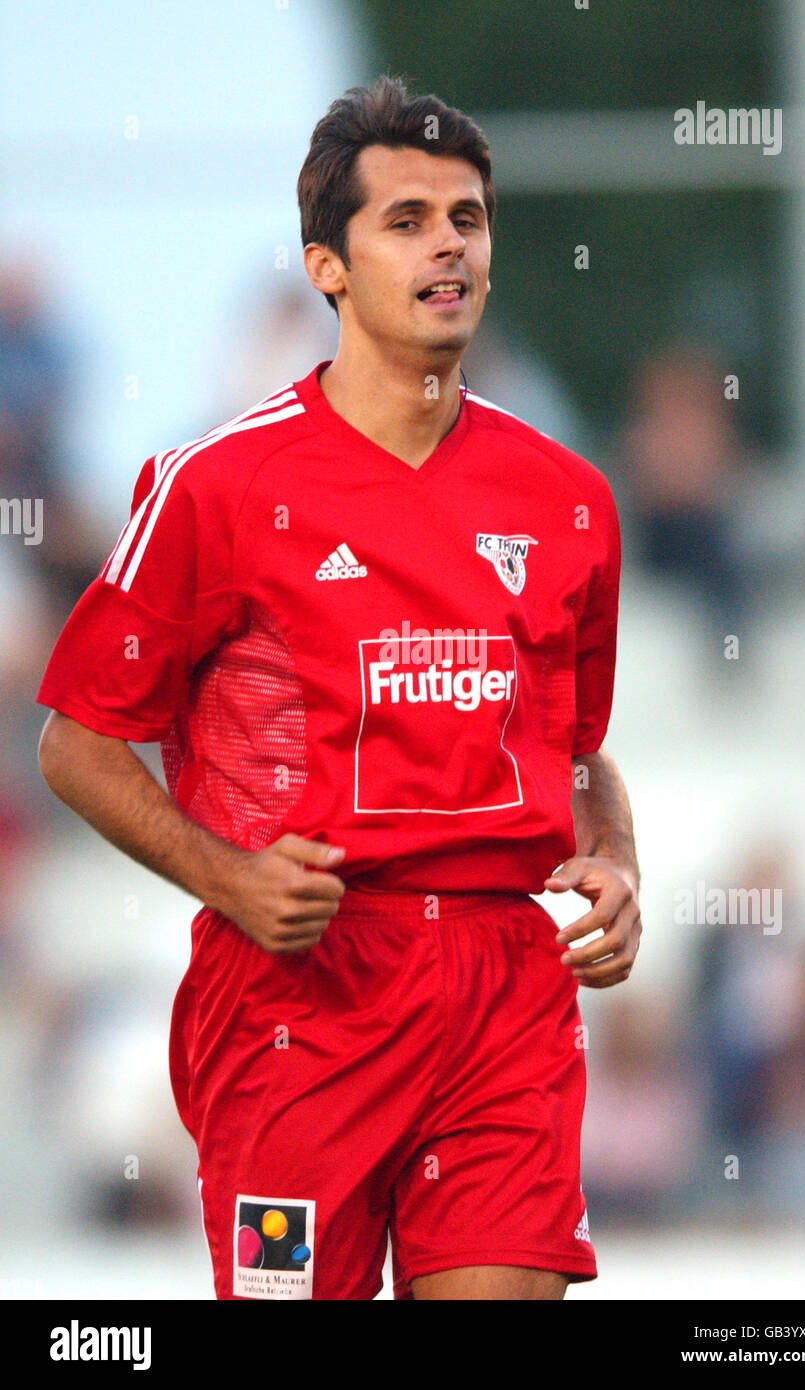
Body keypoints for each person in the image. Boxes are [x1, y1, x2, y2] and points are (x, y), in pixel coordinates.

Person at [36, 74, 642, 1302]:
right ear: (327, 265)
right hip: (299, 1000)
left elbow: (575, 747)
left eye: (466, 219)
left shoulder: (568, 499)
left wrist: (616, 855)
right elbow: (76, 742)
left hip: (500, 991)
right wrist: (231, 878)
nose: (446, 246)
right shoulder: (212, 484)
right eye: (406, 219)